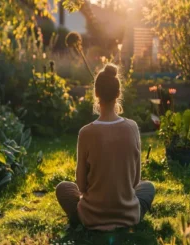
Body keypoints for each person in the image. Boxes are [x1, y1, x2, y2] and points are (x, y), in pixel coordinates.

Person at [55, 63, 155, 231]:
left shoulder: (86, 132)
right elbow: (136, 181)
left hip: (92, 216)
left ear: (96, 93)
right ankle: (127, 215)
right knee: (148, 187)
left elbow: (80, 185)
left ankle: (83, 217)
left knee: (63, 188)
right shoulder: (132, 128)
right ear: (118, 94)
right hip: (128, 215)